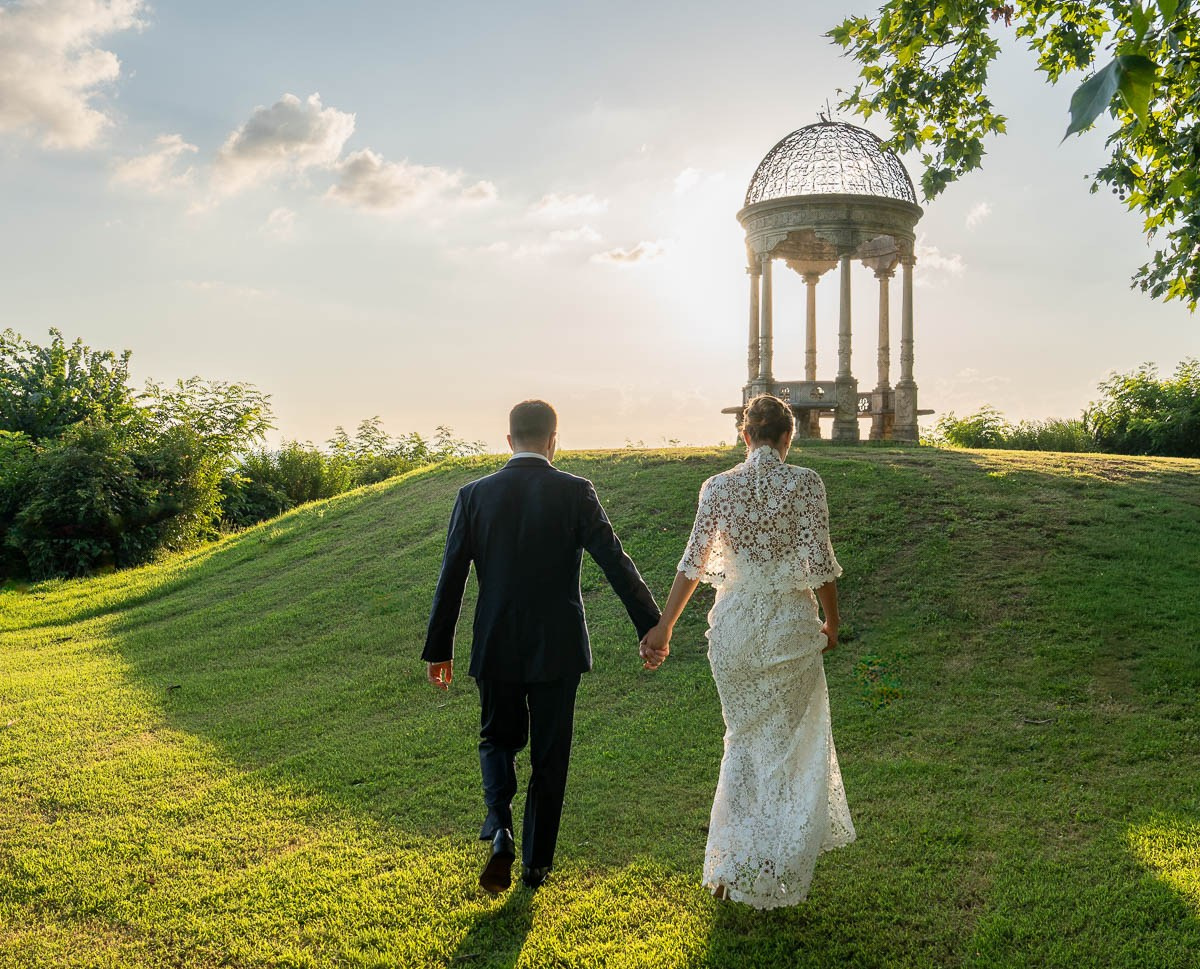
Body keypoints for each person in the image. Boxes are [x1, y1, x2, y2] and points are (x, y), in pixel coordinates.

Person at [424, 399, 662, 895]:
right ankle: (536, 864)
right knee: (550, 755)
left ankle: (500, 827)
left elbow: (452, 575)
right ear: (555, 441)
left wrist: (439, 648)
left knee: (497, 738)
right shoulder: (575, 492)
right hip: (558, 646)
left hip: (495, 641)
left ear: (509, 440)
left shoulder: (473, 495)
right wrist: (651, 626)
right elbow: (614, 561)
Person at [639, 394, 855, 908]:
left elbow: (692, 564)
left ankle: (727, 868)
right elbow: (820, 562)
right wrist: (833, 621)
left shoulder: (717, 488)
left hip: (733, 631)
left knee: (741, 741)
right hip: (788, 627)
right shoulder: (804, 483)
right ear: (787, 438)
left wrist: (664, 628)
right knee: (785, 746)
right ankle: (776, 863)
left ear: (744, 436)